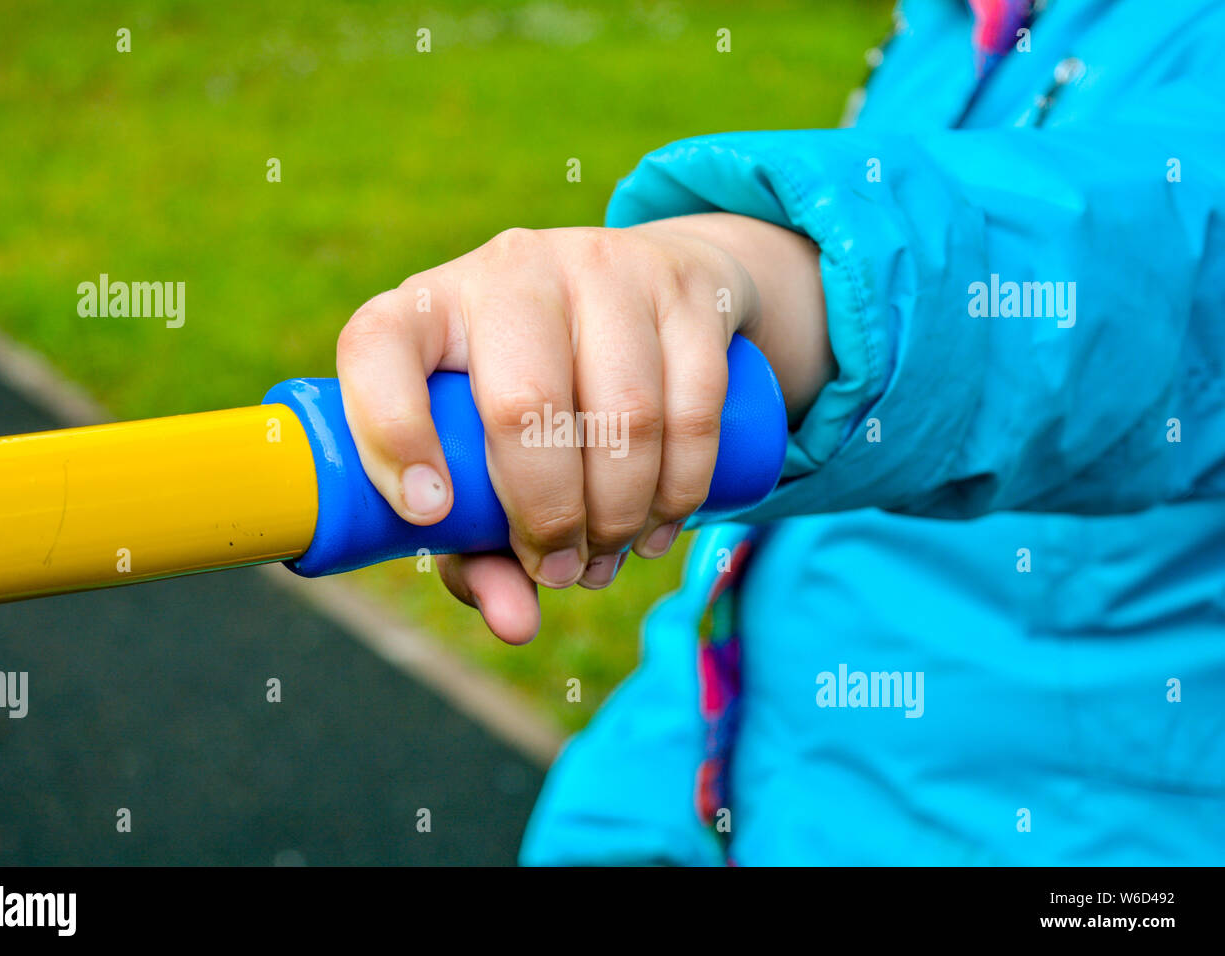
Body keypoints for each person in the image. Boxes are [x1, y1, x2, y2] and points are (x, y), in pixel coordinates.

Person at [335, 0, 1225, 865]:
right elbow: (792, 570)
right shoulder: (962, 23)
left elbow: (1135, 264)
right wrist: (630, 814)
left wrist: (752, 283)